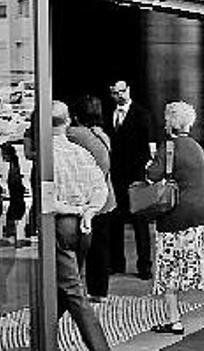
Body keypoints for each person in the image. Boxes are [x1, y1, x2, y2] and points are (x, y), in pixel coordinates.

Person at [146, 101, 204, 335]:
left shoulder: (169, 147)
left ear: (171, 122)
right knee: (201, 259)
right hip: (201, 212)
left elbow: (153, 174)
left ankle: (175, 321)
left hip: (176, 214)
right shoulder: (197, 147)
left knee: (169, 265)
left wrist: (150, 162)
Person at [50, 100, 110, 351]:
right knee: (66, 287)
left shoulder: (47, 156)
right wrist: (88, 212)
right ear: (68, 122)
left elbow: (48, 202)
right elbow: (101, 188)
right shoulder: (80, 152)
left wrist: (75, 210)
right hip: (83, 227)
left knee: (73, 291)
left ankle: (99, 347)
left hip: (61, 225)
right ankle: (42, 333)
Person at [67, 95, 116, 304]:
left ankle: (73, 290)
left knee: (76, 247)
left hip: (84, 200)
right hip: (105, 198)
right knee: (100, 247)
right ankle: (99, 291)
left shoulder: (74, 134)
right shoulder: (102, 135)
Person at [106, 80, 154, 280]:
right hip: (116, 176)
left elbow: (150, 146)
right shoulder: (109, 115)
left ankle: (144, 266)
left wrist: (147, 175)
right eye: (115, 93)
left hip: (136, 177)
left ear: (129, 90)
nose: (120, 96)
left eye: (122, 91)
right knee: (115, 220)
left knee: (140, 223)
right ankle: (117, 262)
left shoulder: (142, 114)